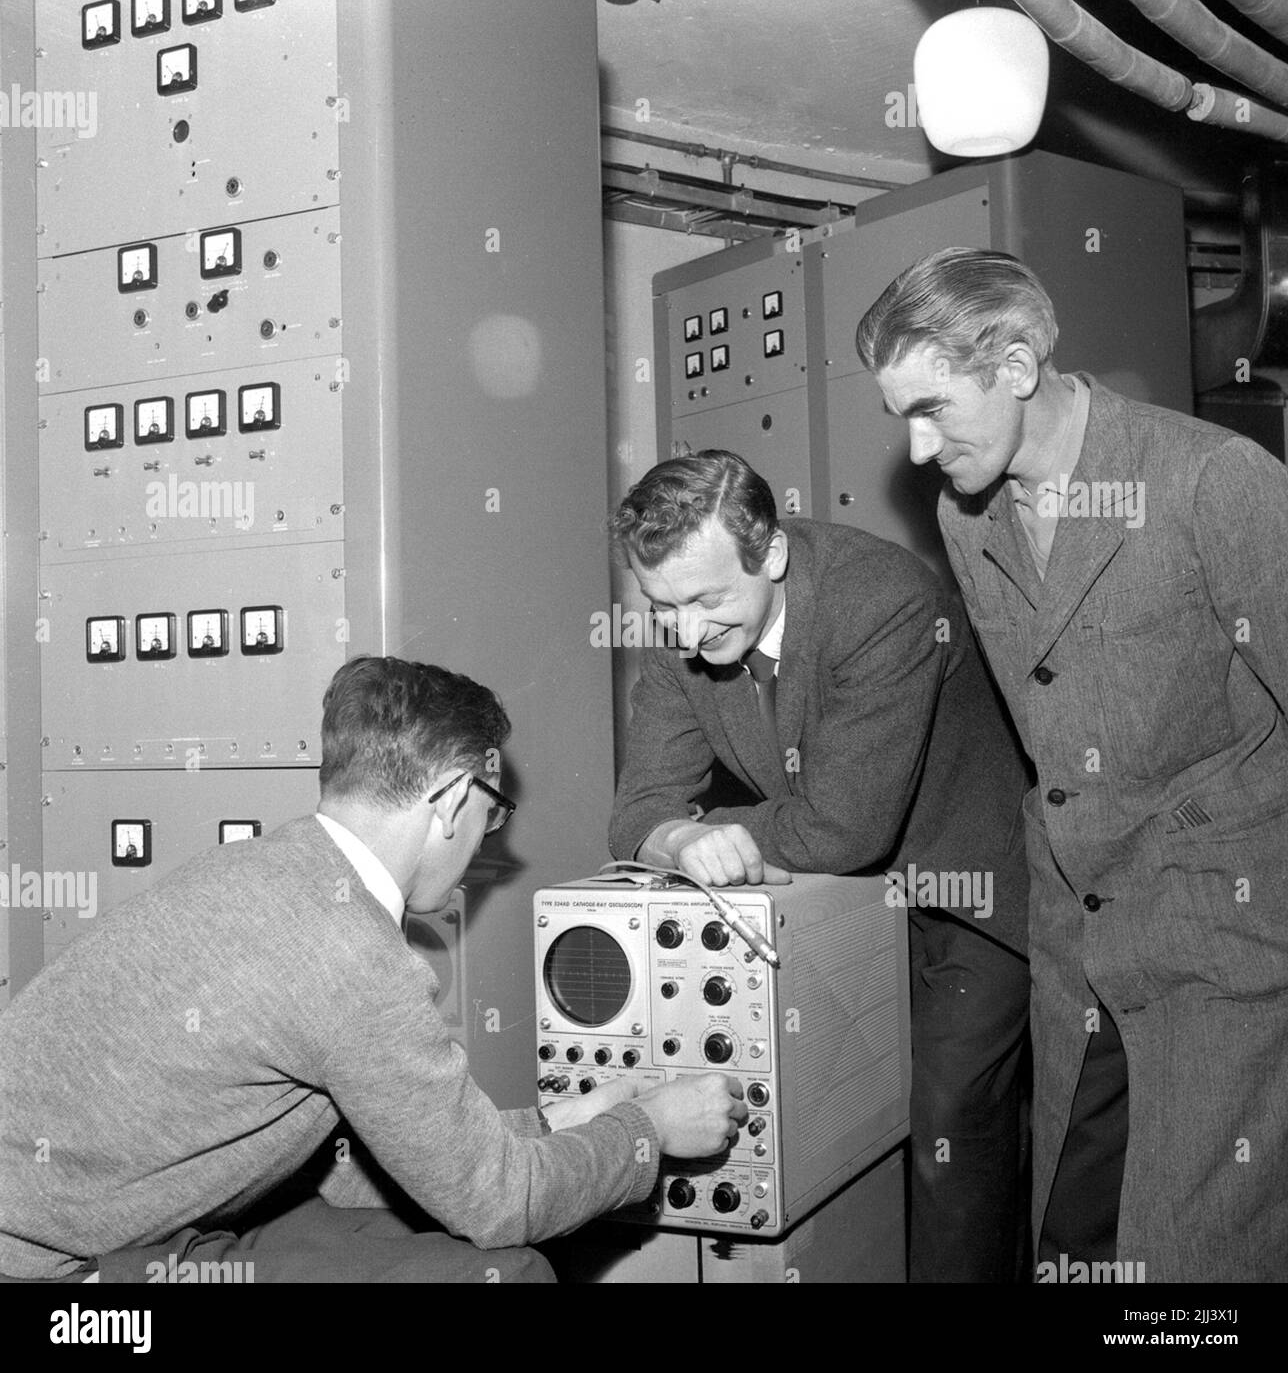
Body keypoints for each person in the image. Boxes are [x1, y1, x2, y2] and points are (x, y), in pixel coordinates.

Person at [0, 656, 746, 1284]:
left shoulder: (261, 868)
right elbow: (498, 1204)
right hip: (58, 1272)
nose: (487, 843)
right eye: (493, 814)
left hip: (82, 1221)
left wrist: (564, 1119)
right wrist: (647, 1130)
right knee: (509, 1271)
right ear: (454, 799)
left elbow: (378, 1146)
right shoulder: (352, 953)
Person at [857, 245, 1288, 1282]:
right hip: (1073, 934)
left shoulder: (1211, 481)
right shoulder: (969, 511)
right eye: (897, 419)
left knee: (1194, 1252)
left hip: (1218, 935)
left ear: (1013, 365)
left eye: (931, 409)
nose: (917, 452)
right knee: (1074, 1237)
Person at [607, 450, 1032, 1282]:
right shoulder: (683, 613)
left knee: (948, 1124)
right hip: (844, 901)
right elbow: (635, 814)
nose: (686, 635)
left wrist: (707, 826)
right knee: (820, 1111)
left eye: (704, 604)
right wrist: (676, 842)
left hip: (968, 887)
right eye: (664, 610)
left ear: (771, 554)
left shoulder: (881, 599)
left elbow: (841, 830)